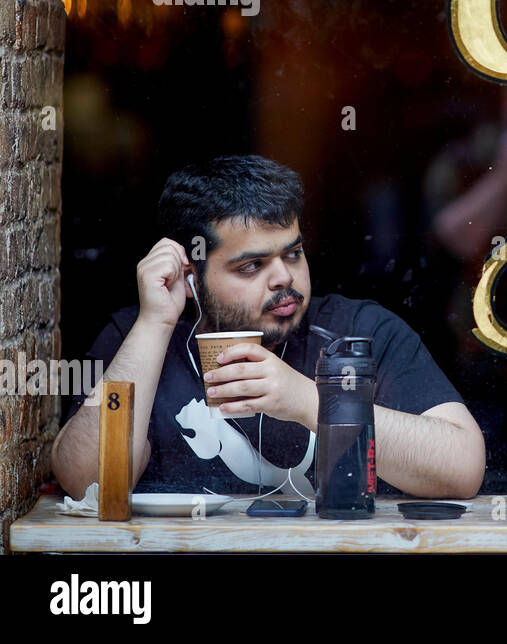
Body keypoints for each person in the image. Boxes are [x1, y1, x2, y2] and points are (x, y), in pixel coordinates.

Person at [52, 155, 484, 500]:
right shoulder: (138, 338)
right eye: (252, 265)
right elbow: (88, 482)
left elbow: (462, 469)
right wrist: (155, 322)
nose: (283, 278)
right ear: (191, 275)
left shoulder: (358, 331)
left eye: (293, 254)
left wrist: (307, 400)